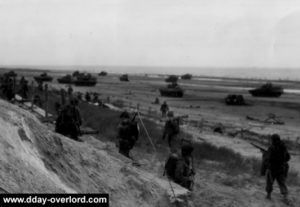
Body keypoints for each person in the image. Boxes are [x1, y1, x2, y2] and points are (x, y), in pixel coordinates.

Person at [265, 134, 290, 200]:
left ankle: (268, 195)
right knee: (282, 183)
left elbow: (268, 158)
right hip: (281, 168)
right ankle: (285, 197)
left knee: (269, 181)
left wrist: (265, 154)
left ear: (273, 140)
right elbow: (288, 157)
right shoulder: (283, 147)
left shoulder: (271, 148)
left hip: (272, 168)